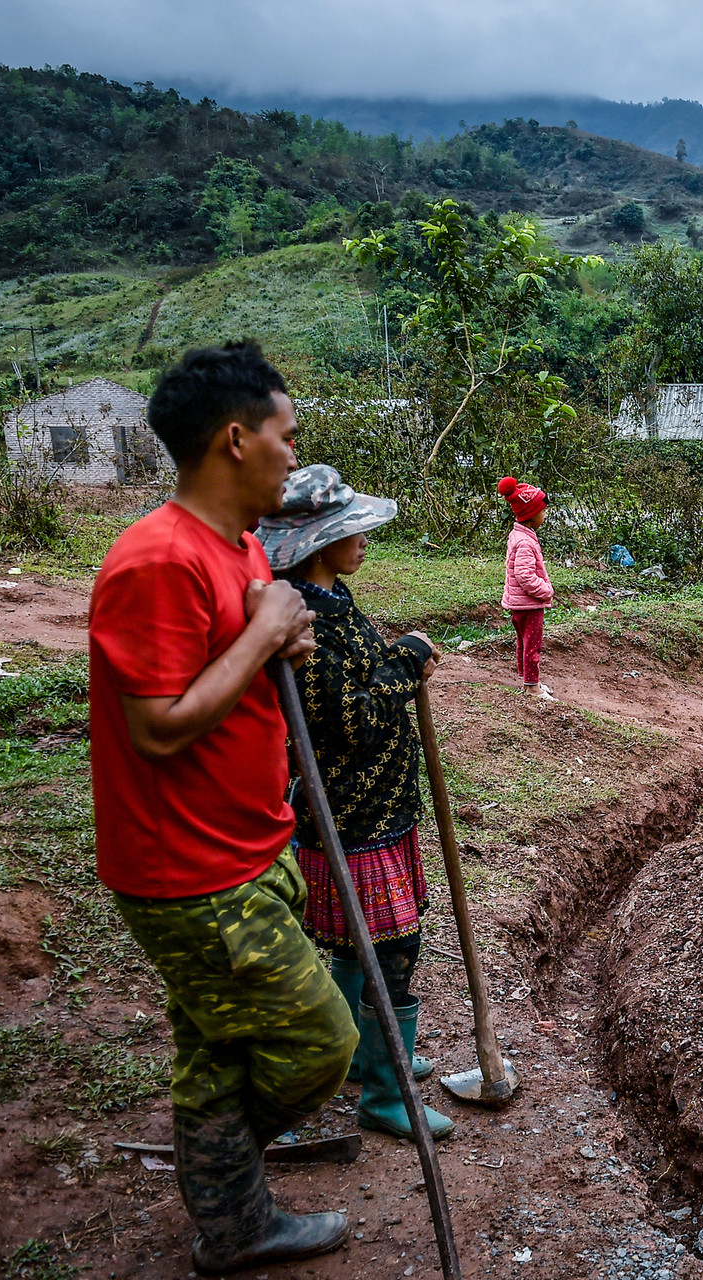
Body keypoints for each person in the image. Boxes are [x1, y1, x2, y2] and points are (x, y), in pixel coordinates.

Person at [88, 341, 352, 1273]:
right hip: (192, 871)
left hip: (247, 846)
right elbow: (157, 728)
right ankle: (222, 1173)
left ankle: (236, 1229)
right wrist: (267, 632)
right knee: (322, 1042)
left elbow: (233, 670)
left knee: (214, 1045)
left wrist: (278, 638)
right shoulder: (155, 561)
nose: (295, 452)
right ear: (237, 440)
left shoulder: (235, 545)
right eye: (288, 436)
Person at [257, 464, 454, 1142]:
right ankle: (384, 1094)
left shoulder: (336, 602)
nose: (366, 538)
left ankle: (365, 1056)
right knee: (393, 951)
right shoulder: (304, 625)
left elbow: (369, 679)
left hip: (380, 815)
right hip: (352, 822)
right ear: (318, 545)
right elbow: (354, 720)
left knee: (355, 948)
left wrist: (395, 655)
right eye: (354, 530)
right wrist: (406, 662)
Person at [500, 475, 556, 700]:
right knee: (532, 646)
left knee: (523, 643)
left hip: (519, 604)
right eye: (542, 510)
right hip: (528, 605)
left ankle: (528, 680)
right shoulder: (525, 542)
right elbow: (524, 575)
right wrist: (546, 591)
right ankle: (532, 688)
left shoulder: (519, 535)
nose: (544, 514)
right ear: (531, 515)